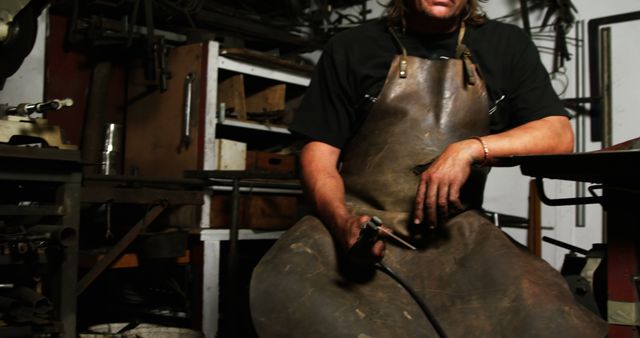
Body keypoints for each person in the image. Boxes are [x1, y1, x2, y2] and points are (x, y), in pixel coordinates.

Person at [251, 0, 607, 337]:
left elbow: (557, 133)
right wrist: (341, 221)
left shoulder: (505, 44)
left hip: (456, 230)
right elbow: (319, 155)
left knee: (548, 316)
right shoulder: (351, 47)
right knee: (292, 291)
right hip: (358, 223)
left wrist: (471, 149)